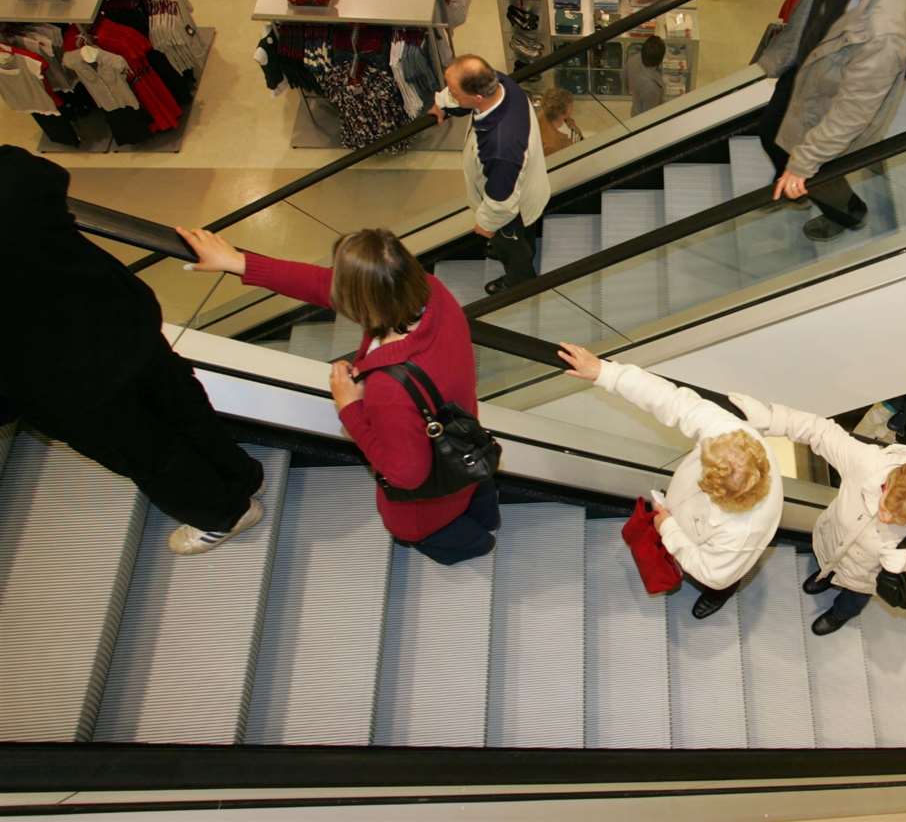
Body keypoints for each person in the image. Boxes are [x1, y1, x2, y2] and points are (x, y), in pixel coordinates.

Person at [177, 226, 500, 564]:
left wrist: (350, 407)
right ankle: (487, 522)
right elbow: (322, 285)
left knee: (440, 536)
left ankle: (479, 547)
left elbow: (407, 475)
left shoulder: (389, 388)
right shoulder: (433, 295)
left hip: (426, 509)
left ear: (358, 302)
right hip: (467, 454)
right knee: (477, 502)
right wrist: (239, 262)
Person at [0, 147, 264, 556]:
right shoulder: (9, 177)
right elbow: (47, 176)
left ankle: (224, 513)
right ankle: (239, 472)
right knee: (179, 397)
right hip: (119, 316)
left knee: (145, 448)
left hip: (62, 378)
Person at [558, 343, 782, 619]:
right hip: (682, 511)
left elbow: (712, 572)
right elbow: (672, 400)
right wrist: (607, 373)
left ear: (717, 492)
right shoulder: (731, 435)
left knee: (722, 581)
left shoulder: (742, 534)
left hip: (704, 548)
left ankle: (719, 598)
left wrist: (669, 529)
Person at [729, 391, 906, 635]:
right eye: (885, 507)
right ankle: (823, 577)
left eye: (900, 520)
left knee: (852, 601)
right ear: (885, 485)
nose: (885, 519)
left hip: (864, 577)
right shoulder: (866, 463)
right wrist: (772, 419)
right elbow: (820, 432)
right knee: (825, 563)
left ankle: (838, 615)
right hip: (832, 542)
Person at [755, 0, 906, 241]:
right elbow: (806, 16)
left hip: (832, 107)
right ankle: (788, 186)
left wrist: (802, 166)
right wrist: (777, 59)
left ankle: (847, 215)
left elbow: (852, 112)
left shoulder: (882, 33)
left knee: (819, 173)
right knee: (770, 132)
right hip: (808, 73)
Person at [431, 54, 550, 295]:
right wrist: (443, 102)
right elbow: (463, 93)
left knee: (513, 246)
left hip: (511, 211)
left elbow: (502, 203)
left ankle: (520, 281)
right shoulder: (501, 84)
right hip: (527, 188)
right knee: (522, 235)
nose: (449, 93)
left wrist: (485, 224)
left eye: (452, 91)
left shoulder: (501, 147)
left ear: (477, 98)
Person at [536, 86, 584, 157]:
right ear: (562, 112)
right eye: (570, 106)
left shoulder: (546, 113)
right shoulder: (553, 146)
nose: (573, 107)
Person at [628, 35, 666, 117]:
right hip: (643, 119)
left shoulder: (633, 60)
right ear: (660, 60)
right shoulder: (651, 87)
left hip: (636, 108)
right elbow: (649, 115)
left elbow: (625, 79)